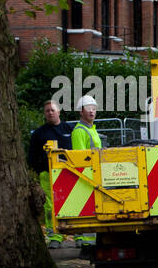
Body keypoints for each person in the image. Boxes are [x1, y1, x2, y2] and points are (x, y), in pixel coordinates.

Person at [27, 100, 71, 246]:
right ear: (44, 114)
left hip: (69, 173)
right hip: (47, 174)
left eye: (53, 110)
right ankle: (54, 237)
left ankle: (78, 236)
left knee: (73, 203)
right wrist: (41, 169)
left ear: (59, 112)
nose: (50, 113)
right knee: (50, 207)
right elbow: (32, 156)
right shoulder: (39, 134)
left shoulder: (70, 129)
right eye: (47, 111)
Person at [68, 96, 103, 246]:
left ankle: (92, 241)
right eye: (88, 108)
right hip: (88, 176)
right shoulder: (79, 131)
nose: (92, 111)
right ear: (81, 112)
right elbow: (80, 158)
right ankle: (88, 243)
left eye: (94, 108)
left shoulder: (91, 129)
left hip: (95, 175)